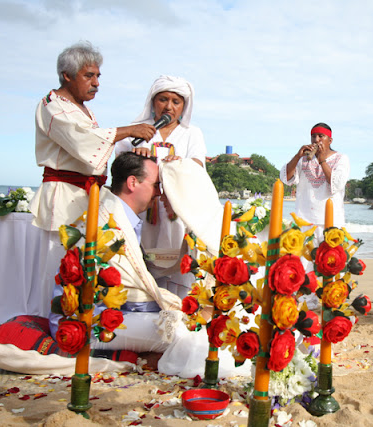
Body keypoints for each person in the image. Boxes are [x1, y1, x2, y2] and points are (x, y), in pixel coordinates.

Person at [50, 153, 245, 377]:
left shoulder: (121, 214)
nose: (159, 194)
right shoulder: (109, 223)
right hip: (84, 325)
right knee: (184, 332)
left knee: (192, 324)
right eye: (157, 185)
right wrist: (177, 311)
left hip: (113, 314)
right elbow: (131, 297)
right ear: (133, 183)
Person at [14, 41, 157, 322]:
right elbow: (84, 143)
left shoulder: (82, 109)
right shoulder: (52, 106)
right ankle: (53, 324)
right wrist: (130, 130)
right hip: (63, 196)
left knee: (84, 263)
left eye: (98, 76)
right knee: (60, 266)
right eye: (88, 76)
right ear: (67, 75)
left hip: (86, 194)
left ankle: (80, 323)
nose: (96, 83)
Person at [115, 75, 207, 299]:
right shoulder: (138, 130)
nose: (169, 106)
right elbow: (120, 163)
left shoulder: (191, 133)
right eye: (163, 99)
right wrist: (136, 156)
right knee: (140, 267)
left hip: (176, 213)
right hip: (143, 213)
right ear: (152, 102)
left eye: (176, 102)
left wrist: (179, 164)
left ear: (184, 106)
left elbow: (198, 166)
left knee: (180, 274)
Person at [280, 123, 350, 241]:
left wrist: (321, 159)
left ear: (330, 140)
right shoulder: (303, 159)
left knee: (328, 258)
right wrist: (297, 156)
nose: (316, 140)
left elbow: (336, 184)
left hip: (332, 222)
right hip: (304, 221)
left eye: (321, 136)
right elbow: (286, 179)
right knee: (304, 258)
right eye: (313, 136)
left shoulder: (341, 158)